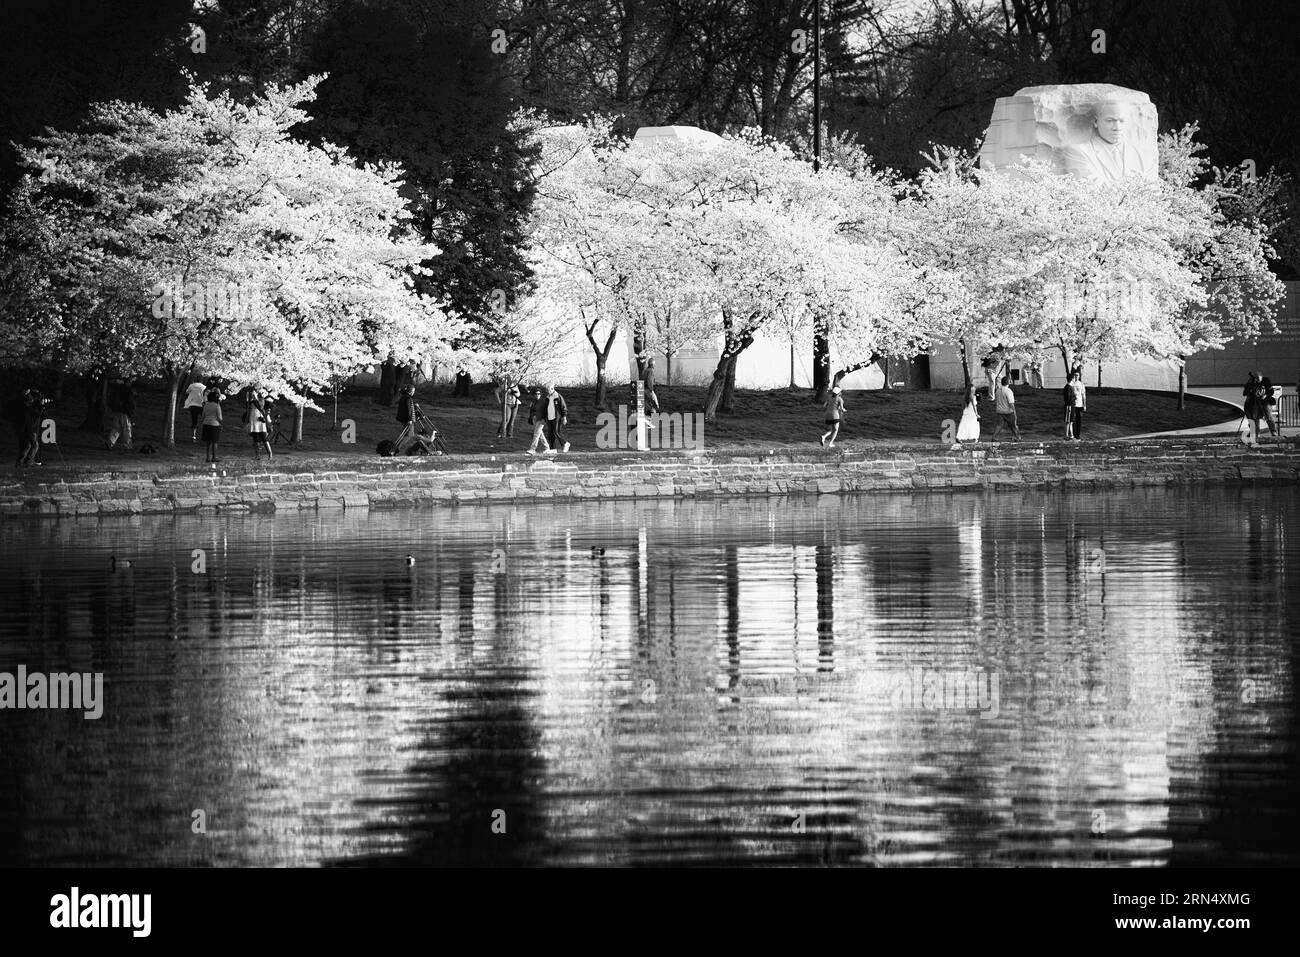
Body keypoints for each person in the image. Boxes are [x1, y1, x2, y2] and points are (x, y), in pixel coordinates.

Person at [105, 378, 135, 451]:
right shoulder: (128, 391)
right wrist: (131, 416)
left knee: (116, 428)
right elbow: (129, 404)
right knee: (126, 429)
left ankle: (110, 442)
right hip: (124, 412)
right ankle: (128, 445)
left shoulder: (118, 389)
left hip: (116, 411)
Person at [992, 376, 1021, 441]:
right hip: (1008, 411)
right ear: (1008, 382)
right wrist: (1014, 412)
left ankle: (994, 437)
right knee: (1013, 425)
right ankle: (1017, 437)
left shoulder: (998, 390)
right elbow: (1011, 403)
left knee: (999, 426)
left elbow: (996, 401)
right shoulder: (1008, 391)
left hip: (999, 411)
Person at [525, 387, 551, 455]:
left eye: (539, 394)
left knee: (536, 434)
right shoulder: (533, 401)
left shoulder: (543, 402)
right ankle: (547, 448)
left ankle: (533, 449)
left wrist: (544, 419)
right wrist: (531, 418)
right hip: (535, 419)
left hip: (541, 420)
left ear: (541, 394)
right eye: (536, 394)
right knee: (540, 434)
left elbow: (546, 411)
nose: (537, 395)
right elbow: (532, 411)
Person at [544, 384, 569, 454]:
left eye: (548, 389)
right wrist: (544, 417)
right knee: (550, 434)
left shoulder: (558, 396)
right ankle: (552, 449)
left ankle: (565, 443)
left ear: (552, 389)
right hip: (549, 417)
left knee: (557, 431)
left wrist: (564, 417)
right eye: (546, 389)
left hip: (557, 417)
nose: (547, 391)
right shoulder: (547, 397)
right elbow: (545, 408)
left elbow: (564, 407)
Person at [1242, 371, 1266, 445]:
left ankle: (1256, 437)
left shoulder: (1260, 386)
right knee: (1252, 422)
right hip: (1249, 406)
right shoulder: (1249, 384)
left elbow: (1261, 395)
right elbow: (1244, 393)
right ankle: (1253, 438)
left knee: (1256, 422)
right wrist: (1249, 387)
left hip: (1256, 406)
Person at [247, 393, 272, 460]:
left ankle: (270, 453)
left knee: (264, 438)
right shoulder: (252, 399)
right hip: (253, 419)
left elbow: (260, 406)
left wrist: (255, 398)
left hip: (260, 420)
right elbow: (248, 407)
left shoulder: (261, 399)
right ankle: (257, 455)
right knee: (256, 438)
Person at [201, 389, 223, 463]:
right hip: (215, 424)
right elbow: (220, 417)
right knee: (215, 441)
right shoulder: (217, 406)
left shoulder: (206, 405)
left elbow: (203, 415)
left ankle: (207, 457)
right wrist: (221, 423)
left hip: (206, 423)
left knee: (208, 442)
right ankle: (214, 457)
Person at [1066, 369, 1087, 441]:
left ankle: (1078, 435)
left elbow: (1083, 395)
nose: (1076, 377)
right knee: (1072, 420)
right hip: (1073, 404)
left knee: (1079, 420)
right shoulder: (1071, 384)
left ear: (1079, 376)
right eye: (1075, 375)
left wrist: (1084, 405)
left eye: (1077, 375)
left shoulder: (1081, 384)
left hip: (1080, 404)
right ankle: (1073, 435)